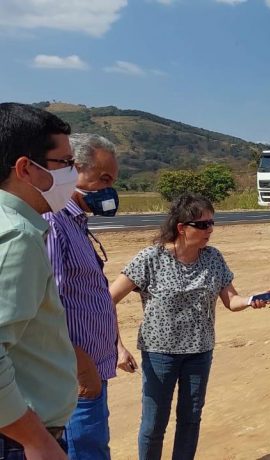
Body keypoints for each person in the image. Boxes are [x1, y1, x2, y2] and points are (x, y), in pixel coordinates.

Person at [109, 193, 270, 460]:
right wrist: (117, 346)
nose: (210, 230)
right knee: (154, 424)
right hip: (159, 354)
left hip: (200, 352)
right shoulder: (150, 258)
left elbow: (231, 300)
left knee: (190, 419)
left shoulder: (213, 258)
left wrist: (252, 300)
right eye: (203, 224)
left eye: (212, 223)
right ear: (182, 228)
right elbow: (107, 300)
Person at [0, 103, 78, 459]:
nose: (73, 174)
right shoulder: (18, 236)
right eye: (65, 163)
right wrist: (36, 440)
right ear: (25, 169)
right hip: (17, 438)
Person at [42, 133, 121, 459]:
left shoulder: (75, 222)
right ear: (71, 171)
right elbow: (47, 310)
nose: (108, 188)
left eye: (112, 180)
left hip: (90, 372)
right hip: (75, 379)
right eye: (102, 178)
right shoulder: (53, 222)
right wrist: (84, 372)